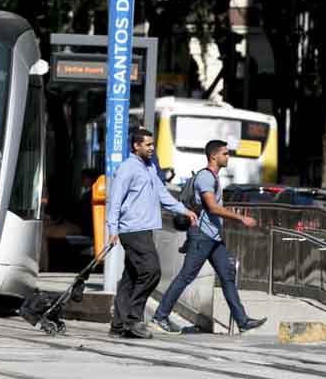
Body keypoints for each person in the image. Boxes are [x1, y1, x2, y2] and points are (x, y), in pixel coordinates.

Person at [151, 139, 266, 334]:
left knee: (227, 275)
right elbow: (212, 207)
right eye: (225, 153)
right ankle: (160, 316)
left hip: (213, 237)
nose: (228, 157)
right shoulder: (206, 178)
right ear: (214, 156)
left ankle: (242, 321)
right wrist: (241, 218)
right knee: (186, 276)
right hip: (203, 235)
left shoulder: (213, 177)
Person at [104, 127, 198, 340]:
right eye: (148, 144)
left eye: (153, 144)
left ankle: (118, 325)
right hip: (131, 229)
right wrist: (112, 229)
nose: (152, 148)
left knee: (131, 277)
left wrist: (184, 210)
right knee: (151, 271)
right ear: (136, 146)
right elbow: (115, 200)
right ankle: (133, 319)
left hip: (145, 229)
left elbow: (162, 195)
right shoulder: (127, 168)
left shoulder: (149, 168)